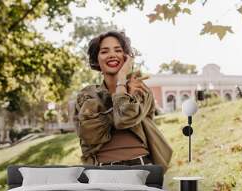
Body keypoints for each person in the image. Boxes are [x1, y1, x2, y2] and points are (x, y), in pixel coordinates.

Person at [73, 31, 173, 172]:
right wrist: (122, 94)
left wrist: (121, 81)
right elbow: (90, 135)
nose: (112, 54)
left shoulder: (140, 89)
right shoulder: (87, 95)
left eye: (118, 50)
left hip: (142, 167)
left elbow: (125, 119)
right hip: (102, 172)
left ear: (126, 57)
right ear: (97, 60)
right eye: (104, 51)